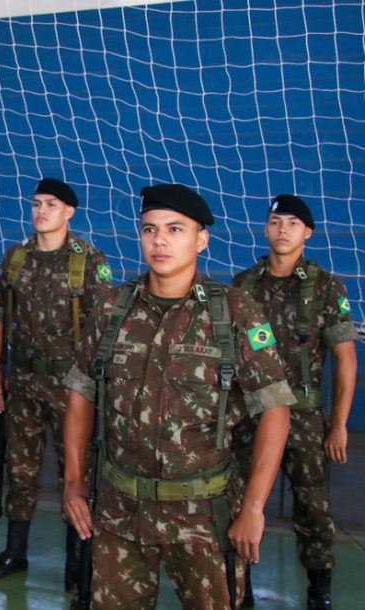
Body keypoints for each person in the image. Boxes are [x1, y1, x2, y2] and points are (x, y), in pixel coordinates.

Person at [62, 183, 293, 609]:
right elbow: (80, 395)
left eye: (174, 229)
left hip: (204, 517)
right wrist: (74, 484)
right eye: (149, 230)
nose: (160, 241)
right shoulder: (113, 309)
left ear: (201, 238)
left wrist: (255, 508)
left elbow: (276, 410)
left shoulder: (234, 313)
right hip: (120, 515)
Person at [0, 178, 111, 584]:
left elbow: (102, 325)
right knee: (20, 471)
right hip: (22, 380)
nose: (40, 210)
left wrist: (93, 387)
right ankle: (15, 552)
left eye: (51, 204)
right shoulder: (16, 257)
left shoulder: (88, 260)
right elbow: (1, 314)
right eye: (36, 203)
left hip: (71, 387)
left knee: (75, 474)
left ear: (69, 212)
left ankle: (78, 563)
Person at [232, 194, 357, 609]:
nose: (283, 229)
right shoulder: (243, 285)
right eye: (275, 221)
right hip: (250, 415)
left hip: (303, 417)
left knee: (314, 511)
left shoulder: (325, 287)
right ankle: (240, 590)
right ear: (266, 229)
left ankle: (318, 592)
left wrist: (338, 424)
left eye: (292, 223)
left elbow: (345, 359)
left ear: (307, 233)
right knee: (238, 503)